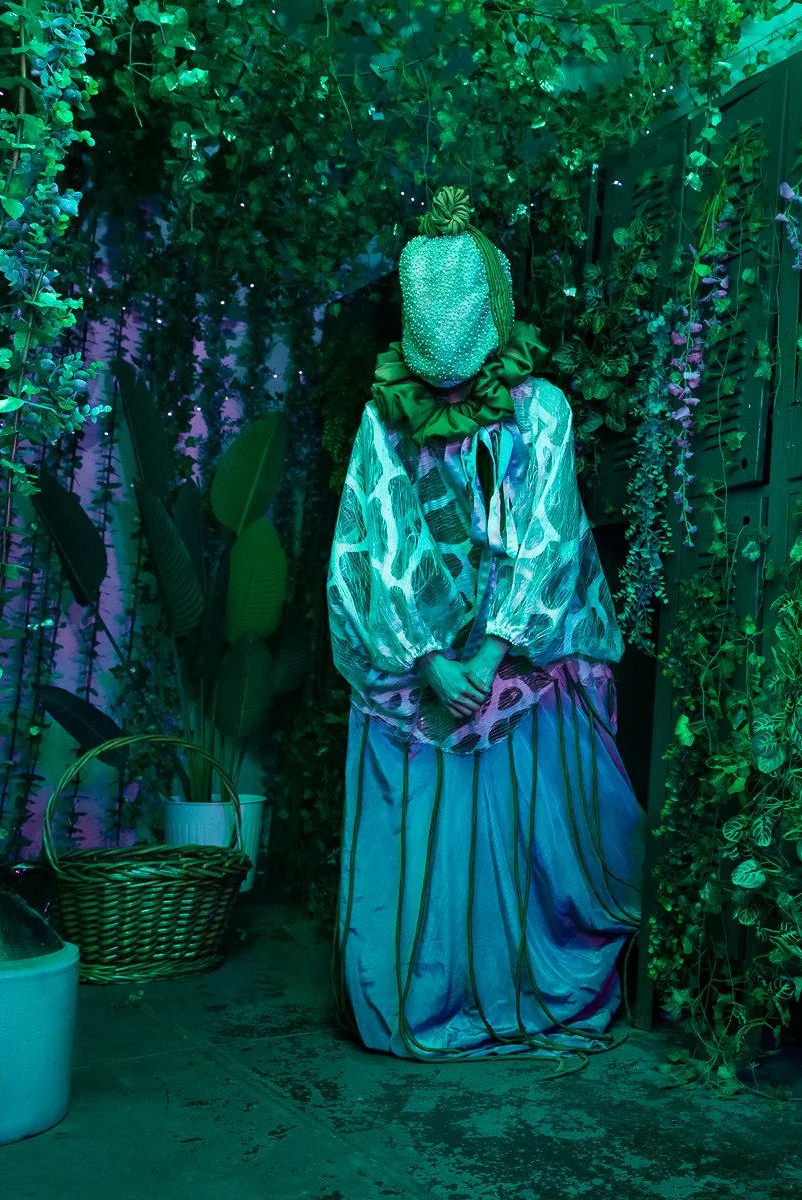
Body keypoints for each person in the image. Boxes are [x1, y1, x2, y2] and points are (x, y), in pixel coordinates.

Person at [326, 187, 642, 1064]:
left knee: (532, 841)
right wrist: (426, 659)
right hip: (428, 678)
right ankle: (432, 988)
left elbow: (548, 531)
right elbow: (369, 539)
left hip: (522, 675)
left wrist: (495, 652)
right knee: (443, 840)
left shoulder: (541, 410)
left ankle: (519, 985)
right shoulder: (383, 422)